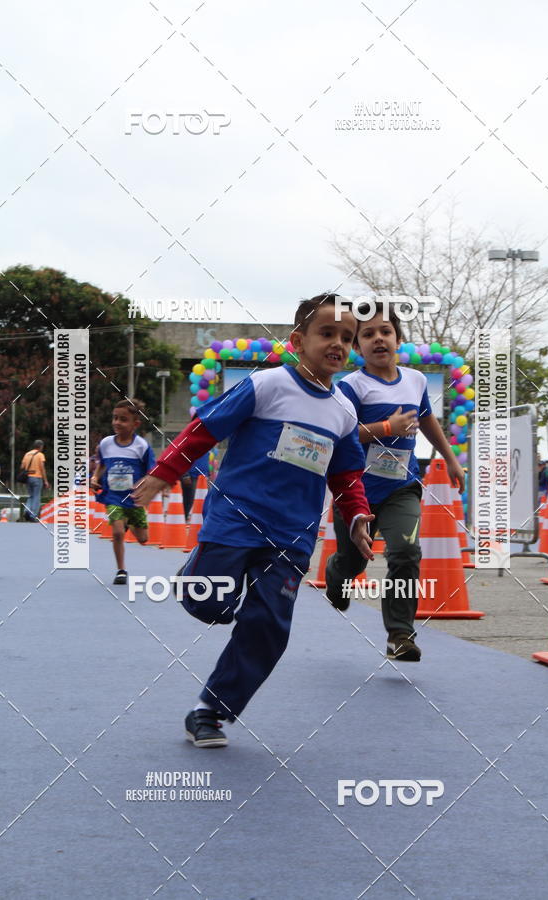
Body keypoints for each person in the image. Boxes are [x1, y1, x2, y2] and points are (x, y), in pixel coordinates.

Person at [134, 294, 374, 748]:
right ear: (299, 340)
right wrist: (163, 474)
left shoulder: (343, 412)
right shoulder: (266, 385)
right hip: (236, 519)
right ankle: (194, 577)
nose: (339, 344)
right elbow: (204, 430)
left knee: (267, 625)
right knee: (210, 604)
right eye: (328, 334)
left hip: (292, 536)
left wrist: (357, 514)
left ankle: (211, 711)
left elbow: (347, 473)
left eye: (348, 338)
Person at [325, 301, 465, 662]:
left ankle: (400, 634)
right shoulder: (351, 387)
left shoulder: (416, 380)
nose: (378, 339)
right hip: (356, 491)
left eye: (385, 331)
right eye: (367, 334)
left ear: (398, 338)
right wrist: (387, 428)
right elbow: (343, 436)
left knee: (405, 552)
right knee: (353, 562)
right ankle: (337, 575)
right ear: (357, 348)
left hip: (402, 487)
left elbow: (428, 420)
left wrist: (450, 460)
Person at [90, 399, 156, 584]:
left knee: (143, 539)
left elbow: (152, 471)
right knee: (118, 532)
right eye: (115, 418)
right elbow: (101, 465)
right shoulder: (106, 444)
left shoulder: (141, 446)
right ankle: (121, 570)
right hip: (113, 497)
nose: (117, 423)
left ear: (135, 424)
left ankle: (129, 523)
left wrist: (142, 483)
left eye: (123, 419)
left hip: (134, 499)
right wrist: (95, 479)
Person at [20, 440, 49, 521]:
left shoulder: (27, 454)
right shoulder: (40, 455)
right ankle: (33, 515)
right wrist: (45, 480)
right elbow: (42, 468)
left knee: (31, 496)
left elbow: (22, 466)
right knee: (36, 496)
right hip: (37, 477)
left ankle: (27, 510)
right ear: (40, 446)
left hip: (28, 478)